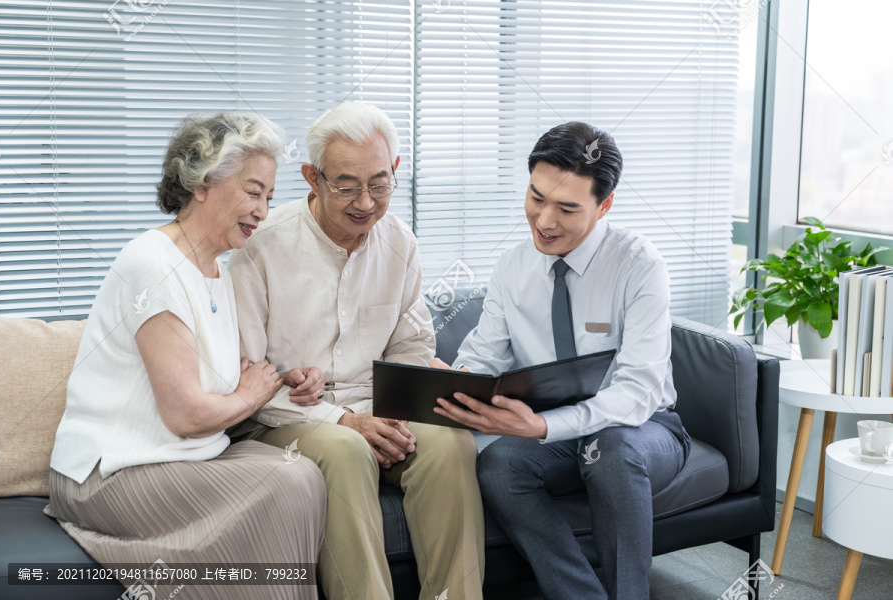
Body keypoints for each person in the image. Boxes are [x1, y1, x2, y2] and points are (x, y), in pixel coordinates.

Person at [45, 112, 327, 600]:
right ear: (202, 182)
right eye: (253, 191)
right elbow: (187, 413)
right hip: (109, 471)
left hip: (180, 457)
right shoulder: (152, 265)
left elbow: (229, 374)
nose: (263, 211)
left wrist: (282, 377)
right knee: (290, 481)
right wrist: (249, 394)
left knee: (299, 472)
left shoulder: (218, 268)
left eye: (269, 197)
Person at [227, 102, 484, 600]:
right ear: (312, 177)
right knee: (346, 451)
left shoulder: (400, 244)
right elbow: (246, 375)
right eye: (346, 186)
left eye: (380, 184)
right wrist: (341, 420)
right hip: (281, 416)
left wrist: (417, 400)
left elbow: (411, 346)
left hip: (376, 406)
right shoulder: (259, 246)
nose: (365, 202)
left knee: (450, 443)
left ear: (395, 173)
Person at [433, 122, 691, 600]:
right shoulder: (513, 266)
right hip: (550, 431)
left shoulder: (639, 265)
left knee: (611, 451)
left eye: (567, 208)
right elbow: (482, 356)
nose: (544, 220)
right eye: (536, 197)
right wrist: (456, 381)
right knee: (499, 466)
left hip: (643, 429)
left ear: (604, 205)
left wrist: (544, 428)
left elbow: (637, 392)